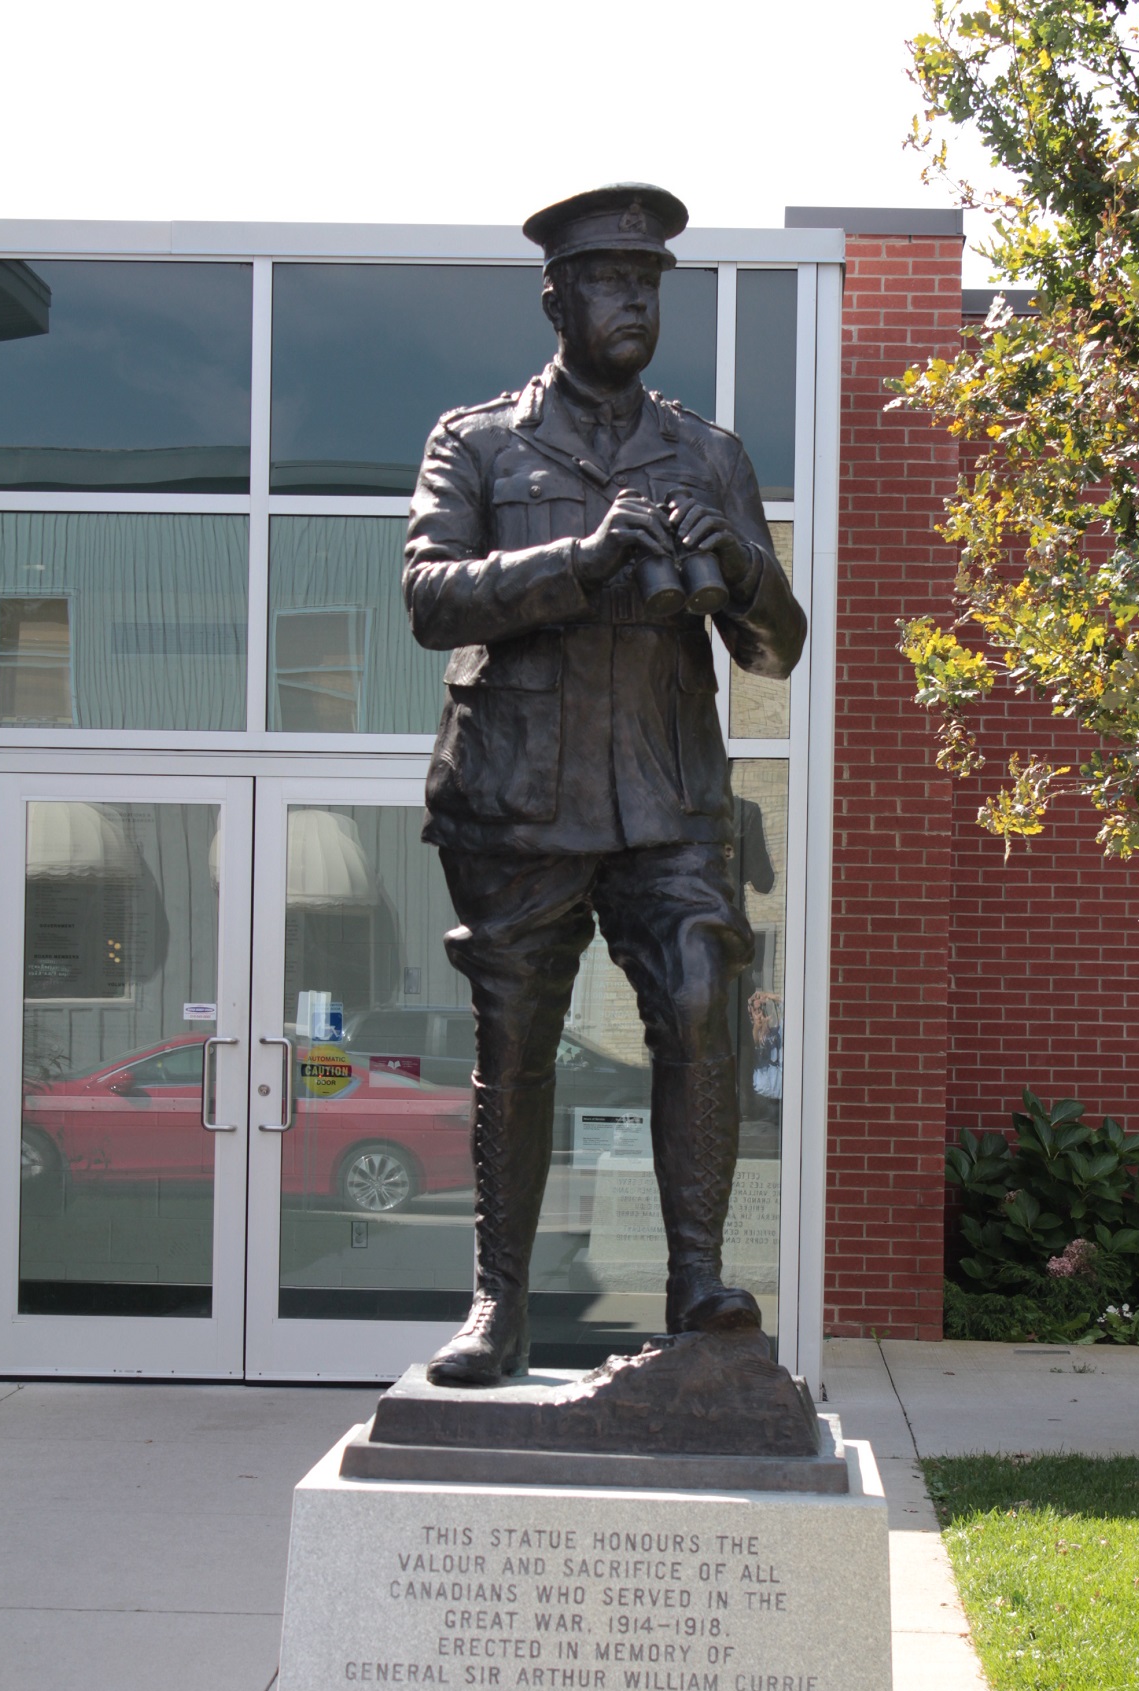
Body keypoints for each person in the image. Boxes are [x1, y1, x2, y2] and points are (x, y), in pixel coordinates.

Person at [403, 183, 806, 1386]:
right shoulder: (478, 440)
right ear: (557, 298)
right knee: (515, 1038)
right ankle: (499, 1303)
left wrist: (740, 569)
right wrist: (579, 561)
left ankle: (698, 1283)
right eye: (609, 281)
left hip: (666, 794)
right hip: (517, 792)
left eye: (648, 283)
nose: (633, 301)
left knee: (698, 996)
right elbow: (429, 596)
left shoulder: (708, 453)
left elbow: (776, 649)